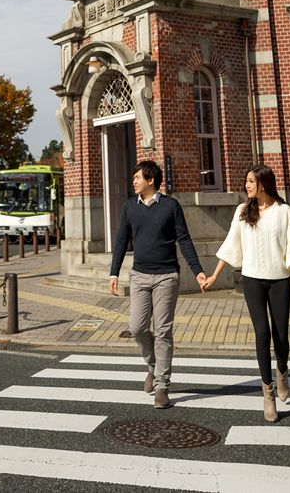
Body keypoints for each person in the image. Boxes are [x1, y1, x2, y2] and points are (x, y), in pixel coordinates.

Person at [202, 164, 290, 423]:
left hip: (279, 281)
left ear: (264, 183)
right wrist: (215, 275)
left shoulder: (283, 211)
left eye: (251, 181)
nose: (246, 185)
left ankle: (282, 371)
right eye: (246, 181)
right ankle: (268, 392)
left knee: (281, 336)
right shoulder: (242, 211)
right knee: (262, 333)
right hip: (252, 280)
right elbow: (231, 243)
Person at [108, 159, 206, 409]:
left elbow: (183, 239)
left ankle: (162, 385)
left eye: (137, 177)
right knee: (138, 328)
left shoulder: (171, 206)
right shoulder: (130, 207)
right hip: (139, 276)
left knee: (163, 331)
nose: (134, 181)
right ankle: (152, 366)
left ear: (151, 180)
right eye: (133, 178)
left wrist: (197, 271)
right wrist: (114, 273)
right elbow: (121, 241)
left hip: (166, 277)